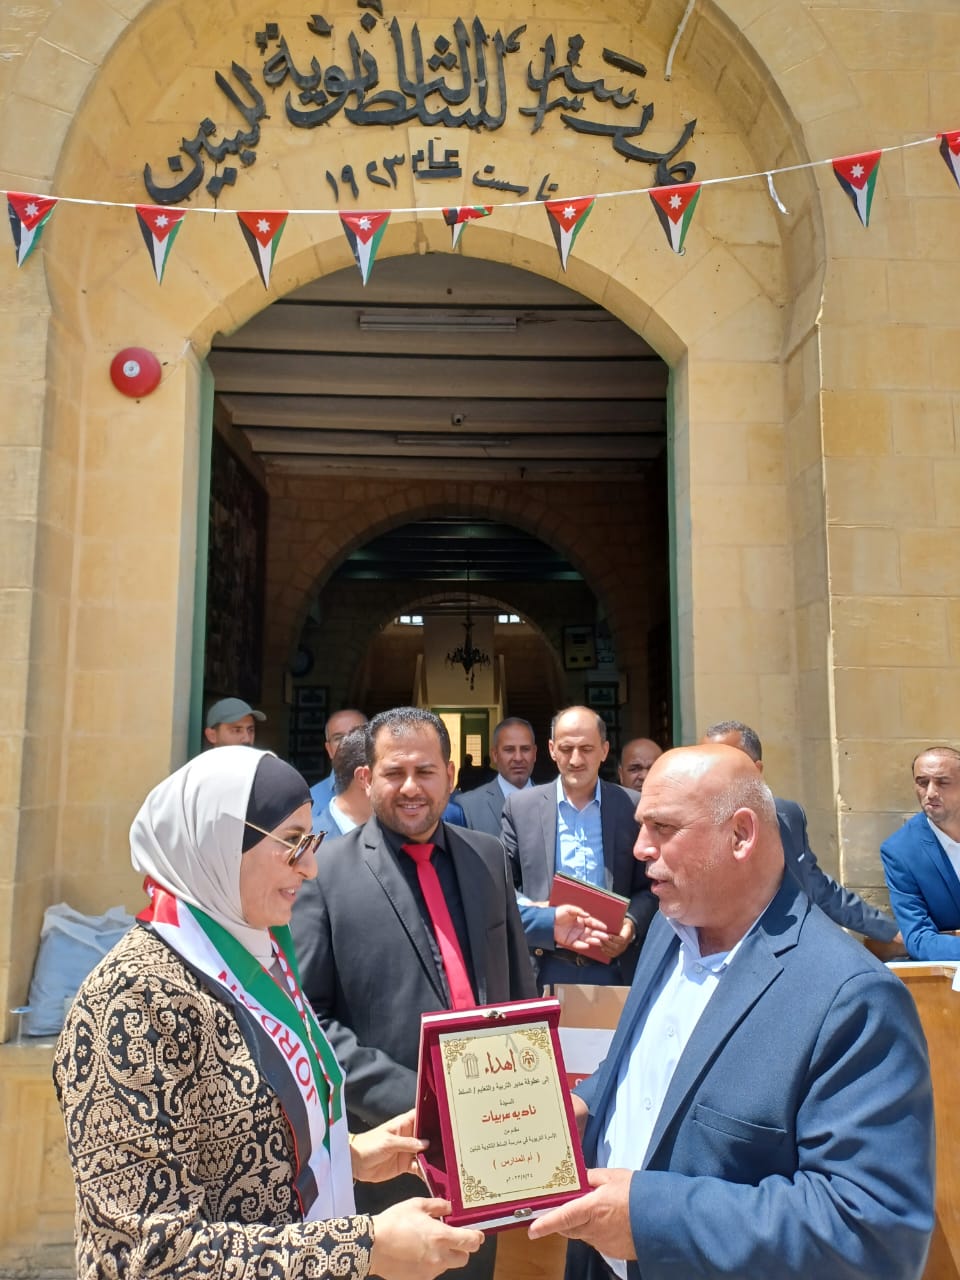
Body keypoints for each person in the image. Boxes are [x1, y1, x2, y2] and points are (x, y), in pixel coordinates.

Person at [53, 746, 483, 1280]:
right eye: (291, 843)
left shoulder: (260, 952)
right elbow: (141, 1257)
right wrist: (363, 1246)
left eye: (311, 841)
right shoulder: (131, 1001)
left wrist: (345, 1157)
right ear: (218, 844)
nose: (310, 867)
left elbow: (237, 1146)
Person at [528, 744, 935, 1280]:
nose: (641, 848)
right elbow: (638, 1065)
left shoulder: (853, 999)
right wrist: (576, 1107)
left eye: (663, 828)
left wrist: (649, 1219)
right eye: (642, 826)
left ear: (741, 834)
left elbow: (872, 1234)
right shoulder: (669, 928)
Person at [291, 707, 536, 1280]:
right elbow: (307, 1020)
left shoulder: (487, 858)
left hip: (492, 1143)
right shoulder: (323, 874)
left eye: (425, 772)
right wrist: (426, 1100)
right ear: (366, 778)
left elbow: (518, 989)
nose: (410, 787)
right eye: (394, 772)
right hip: (390, 1149)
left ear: (450, 774)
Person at [702, 719, 902, 950]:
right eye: (705, 762)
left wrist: (888, 930)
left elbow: (817, 887)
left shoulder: (787, 816)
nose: (708, 773)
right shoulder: (685, 824)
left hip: (786, 951)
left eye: (722, 762)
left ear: (756, 770)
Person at [501, 705, 657, 989]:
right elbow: (501, 884)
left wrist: (631, 924)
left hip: (613, 968)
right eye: (566, 748)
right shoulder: (521, 808)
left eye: (586, 749)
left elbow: (651, 885)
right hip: (543, 966)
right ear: (551, 749)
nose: (575, 759)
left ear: (604, 750)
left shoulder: (631, 807)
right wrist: (538, 913)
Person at [880, 745, 960, 959]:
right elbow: (918, 937)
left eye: (943, 782)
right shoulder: (900, 851)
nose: (931, 793)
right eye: (922, 782)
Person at [459, 717, 538, 836]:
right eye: (509, 750)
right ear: (495, 755)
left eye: (525, 749)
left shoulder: (555, 804)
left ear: (534, 753)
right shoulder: (467, 806)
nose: (518, 758)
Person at [310, 709, 367, 821]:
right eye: (339, 738)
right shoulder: (311, 801)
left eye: (356, 734)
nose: (348, 743)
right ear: (329, 749)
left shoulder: (392, 790)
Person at [313, 726, 371, 835]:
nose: (404, 787)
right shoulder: (312, 843)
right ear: (363, 778)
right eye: (393, 773)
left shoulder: (398, 836)